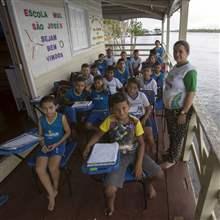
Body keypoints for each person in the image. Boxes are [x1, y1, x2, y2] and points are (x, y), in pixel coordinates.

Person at [83, 92, 163, 216]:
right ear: (111, 110)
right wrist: (88, 145)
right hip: (116, 156)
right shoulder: (109, 121)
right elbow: (98, 135)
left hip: (135, 152)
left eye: (124, 108)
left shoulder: (135, 121)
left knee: (159, 174)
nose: (121, 112)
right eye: (117, 109)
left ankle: (148, 183)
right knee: (109, 191)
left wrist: (139, 164)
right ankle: (110, 204)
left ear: (129, 106)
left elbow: (141, 144)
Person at [161, 40, 197, 169]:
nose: (177, 54)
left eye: (181, 51)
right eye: (175, 51)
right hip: (170, 108)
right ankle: (171, 152)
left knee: (177, 136)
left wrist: (184, 112)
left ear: (187, 52)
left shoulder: (189, 71)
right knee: (172, 133)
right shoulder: (176, 66)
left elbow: (191, 93)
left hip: (179, 110)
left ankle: (172, 160)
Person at [36, 95, 71, 211]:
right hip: (45, 146)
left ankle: (55, 187)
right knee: (39, 169)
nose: (48, 111)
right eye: (44, 108)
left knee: (52, 167)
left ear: (56, 106)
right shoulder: (41, 120)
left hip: (58, 145)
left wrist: (57, 144)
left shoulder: (61, 117)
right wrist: (43, 145)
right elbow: (40, 136)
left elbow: (68, 132)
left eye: (51, 107)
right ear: (41, 109)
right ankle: (51, 194)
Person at [126, 78, 156, 156]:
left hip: (142, 117)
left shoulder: (142, 95)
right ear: (126, 87)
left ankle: (154, 150)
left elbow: (148, 108)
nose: (132, 90)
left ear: (138, 89)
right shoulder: (124, 97)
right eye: (130, 87)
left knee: (149, 136)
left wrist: (144, 119)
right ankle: (139, 152)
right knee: (133, 137)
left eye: (135, 88)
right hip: (130, 119)